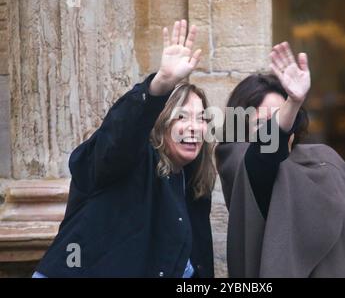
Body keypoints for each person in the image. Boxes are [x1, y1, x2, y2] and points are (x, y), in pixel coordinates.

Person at [33, 20, 216, 278]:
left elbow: (192, 262)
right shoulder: (135, 158)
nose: (194, 127)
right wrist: (160, 85)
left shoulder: (192, 182)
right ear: (160, 123)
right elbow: (119, 138)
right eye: (182, 117)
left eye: (201, 118)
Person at [215, 42, 345, 277]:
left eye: (284, 116)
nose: (278, 124)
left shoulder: (324, 159)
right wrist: (292, 103)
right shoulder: (239, 161)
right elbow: (262, 159)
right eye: (262, 123)